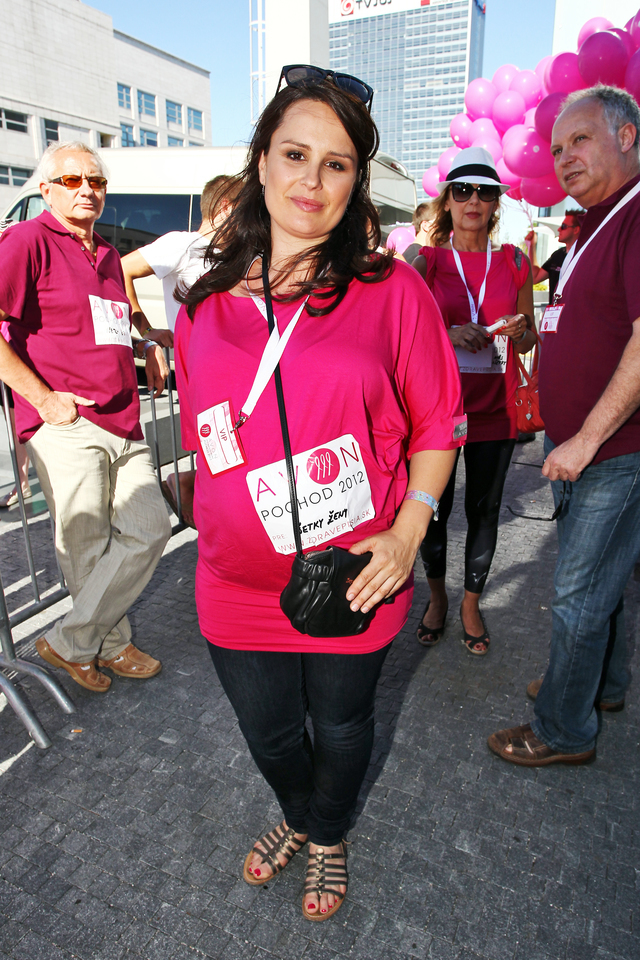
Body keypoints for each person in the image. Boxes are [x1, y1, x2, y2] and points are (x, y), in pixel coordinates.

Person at [174, 65, 464, 919]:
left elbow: (440, 421)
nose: (312, 179)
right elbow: (207, 434)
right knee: (268, 736)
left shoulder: (391, 289)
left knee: (340, 727)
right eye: (295, 154)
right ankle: (300, 813)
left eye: (336, 163)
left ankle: (327, 832)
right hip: (234, 580)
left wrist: (409, 533)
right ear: (261, 161)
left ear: (355, 180)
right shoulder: (203, 304)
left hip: (355, 574)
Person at [488, 85, 640, 766]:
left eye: (580, 139)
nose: (564, 158)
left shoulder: (635, 215)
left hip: (610, 450)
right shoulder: (595, 223)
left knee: (577, 595)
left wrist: (586, 438)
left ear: (626, 136)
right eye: (555, 149)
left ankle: (561, 731)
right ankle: (598, 687)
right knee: (602, 583)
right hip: (583, 446)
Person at [0, 141, 171, 693]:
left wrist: (146, 343)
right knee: (86, 547)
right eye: (72, 180)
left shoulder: (107, 255)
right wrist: (44, 399)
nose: (86, 190)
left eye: (95, 181)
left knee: (150, 528)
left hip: (123, 417)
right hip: (66, 422)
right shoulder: (26, 240)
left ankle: (71, 642)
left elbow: (108, 327)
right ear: (46, 190)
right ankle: (110, 645)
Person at [413, 147, 535, 655]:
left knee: (484, 511)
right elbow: (406, 332)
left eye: (484, 192)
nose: (473, 200)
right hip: (438, 411)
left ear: (495, 203)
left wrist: (522, 331)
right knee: (432, 510)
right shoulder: (426, 262)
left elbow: (529, 341)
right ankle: (438, 597)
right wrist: (447, 332)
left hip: (495, 410)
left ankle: (469, 603)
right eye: (462, 190)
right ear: (447, 201)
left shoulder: (515, 261)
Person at [122, 175, 241, 528]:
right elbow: (121, 269)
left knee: (233, 446)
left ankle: (191, 487)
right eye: (246, 208)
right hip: (200, 368)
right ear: (225, 208)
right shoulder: (184, 243)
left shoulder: (234, 253)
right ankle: (200, 500)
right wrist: (146, 332)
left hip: (230, 367)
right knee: (219, 447)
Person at [524, 210, 582, 303]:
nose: (559, 229)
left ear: (576, 230)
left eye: (563, 226)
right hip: (555, 310)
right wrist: (532, 246)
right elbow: (535, 277)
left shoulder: (584, 257)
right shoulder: (558, 254)